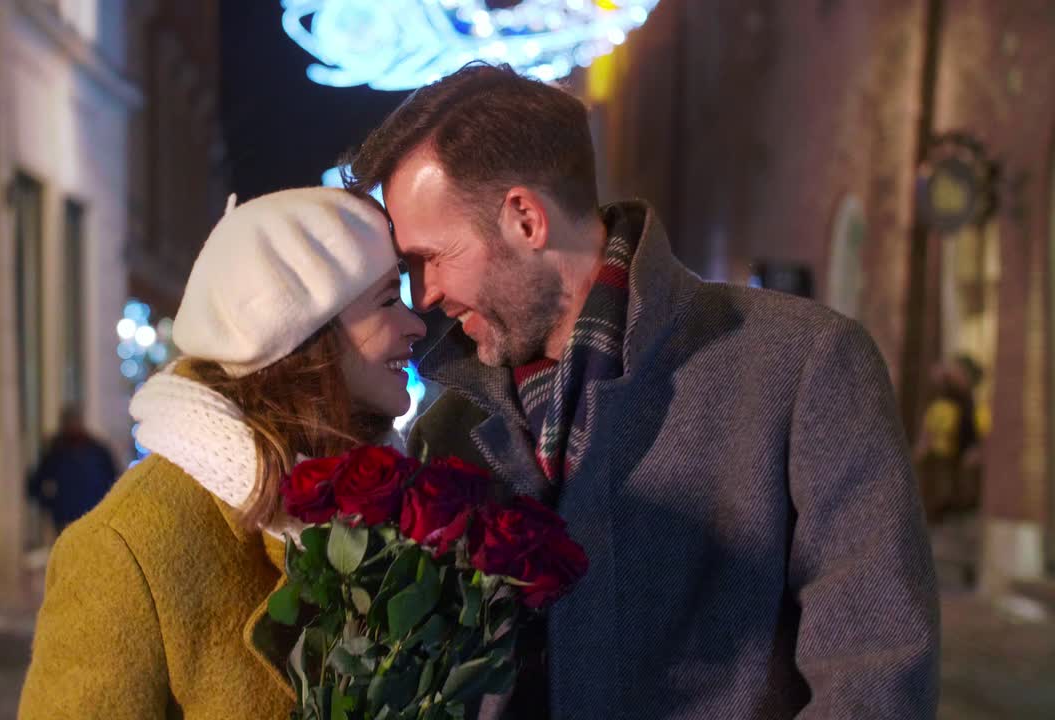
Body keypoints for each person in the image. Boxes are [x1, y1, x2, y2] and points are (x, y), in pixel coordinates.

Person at [344, 63, 939, 719]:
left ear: (523, 218)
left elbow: (875, 673)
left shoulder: (801, 364)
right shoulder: (446, 428)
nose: (423, 295)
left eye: (432, 257)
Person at [18, 188, 426, 719]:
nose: (416, 325)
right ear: (304, 333)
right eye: (387, 301)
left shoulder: (393, 500)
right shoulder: (126, 549)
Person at [26, 405, 119, 533]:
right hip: (65, 518)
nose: (73, 426)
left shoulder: (97, 450)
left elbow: (114, 479)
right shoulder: (56, 451)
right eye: (70, 422)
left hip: (93, 516)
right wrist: (51, 505)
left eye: (75, 421)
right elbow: (36, 484)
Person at [914, 354, 984, 521]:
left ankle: (942, 509)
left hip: (952, 451)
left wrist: (973, 447)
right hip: (939, 450)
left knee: (947, 483)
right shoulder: (942, 395)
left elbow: (970, 425)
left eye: (957, 372)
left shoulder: (963, 400)